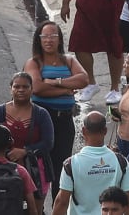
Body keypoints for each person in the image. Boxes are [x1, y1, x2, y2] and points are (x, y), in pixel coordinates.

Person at [26, 20, 90, 188]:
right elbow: (37, 88)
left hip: (65, 120)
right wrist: (66, 89)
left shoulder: (69, 61)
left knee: (61, 168)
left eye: (53, 36)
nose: (49, 40)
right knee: (39, 167)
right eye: (45, 36)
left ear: (60, 39)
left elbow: (83, 79)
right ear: (39, 40)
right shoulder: (34, 63)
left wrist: (56, 82)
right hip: (42, 120)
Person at [0, 72, 57, 198]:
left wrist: (25, 152)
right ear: (10, 89)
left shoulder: (41, 114)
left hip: (35, 171)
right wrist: (7, 155)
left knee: (34, 209)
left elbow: (48, 143)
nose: (21, 90)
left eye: (25, 87)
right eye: (17, 87)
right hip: (2, 170)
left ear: (32, 89)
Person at [52, 112, 129, 215]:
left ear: (83, 131)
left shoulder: (71, 164)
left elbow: (61, 202)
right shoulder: (120, 161)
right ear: (105, 131)